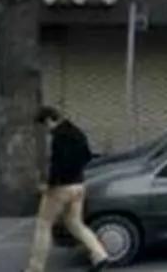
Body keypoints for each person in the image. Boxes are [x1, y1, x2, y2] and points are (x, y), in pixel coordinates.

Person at [26, 106, 109, 272]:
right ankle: (100, 255)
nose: (46, 130)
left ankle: (35, 268)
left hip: (60, 188)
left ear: (49, 120)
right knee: (75, 223)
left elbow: (57, 164)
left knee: (44, 224)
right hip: (78, 185)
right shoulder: (77, 133)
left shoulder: (59, 137)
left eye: (45, 125)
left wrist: (49, 185)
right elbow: (87, 156)